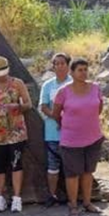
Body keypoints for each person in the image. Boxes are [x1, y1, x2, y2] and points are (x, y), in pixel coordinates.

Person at [52, 58, 105, 216]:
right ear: (72, 72)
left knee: (88, 171)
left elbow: (99, 108)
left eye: (85, 69)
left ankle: (87, 203)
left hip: (93, 137)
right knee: (72, 174)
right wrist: (69, 125)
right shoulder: (64, 91)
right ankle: (73, 204)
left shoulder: (95, 88)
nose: (83, 73)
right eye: (80, 70)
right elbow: (56, 114)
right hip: (71, 140)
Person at [0, 55, 31, 214]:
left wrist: (16, 106)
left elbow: (28, 104)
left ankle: (16, 199)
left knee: (16, 164)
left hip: (16, 132)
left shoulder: (17, 84)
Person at [39, 52, 72, 207]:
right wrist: (55, 116)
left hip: (71, 132)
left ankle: (71, 196)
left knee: (71, 166)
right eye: (56, 63)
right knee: (53, 166)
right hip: (52, 131)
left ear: (68, 65)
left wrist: (65, 119)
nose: (59, 66)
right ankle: (52, 195)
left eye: (62, 63)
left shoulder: (74, 83)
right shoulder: (48, 85)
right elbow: (43, 105)